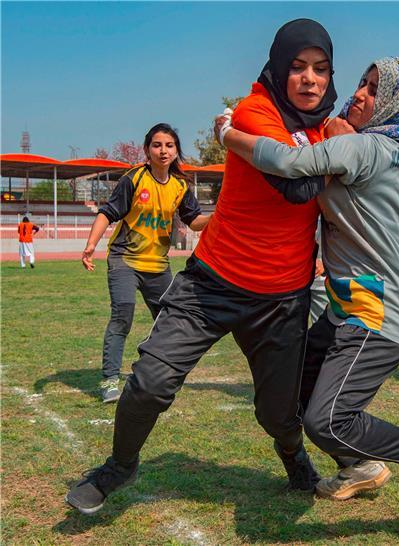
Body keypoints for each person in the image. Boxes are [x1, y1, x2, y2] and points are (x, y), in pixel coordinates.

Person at [66, 19, 337, 515]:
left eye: (320, 69)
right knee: (149, 382)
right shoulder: (256, 111)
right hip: (211, 283)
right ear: (278, 68)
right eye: (297, 67)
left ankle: (294, 457)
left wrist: (338, 141)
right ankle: (119, 466)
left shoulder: (327, 130)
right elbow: (296, 182)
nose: (309, 79)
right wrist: (334, 149)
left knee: (279, 414)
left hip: (282, 297)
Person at [217, 56, 399, 533]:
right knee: (293, 395)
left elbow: (291, 164)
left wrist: (230, 136)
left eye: (375, 90)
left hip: (378, 312)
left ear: (394, 104)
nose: (359, 93)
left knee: (329, 420)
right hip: (349, 306)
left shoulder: (371, 148)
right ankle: (360, 466)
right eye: (362, 82)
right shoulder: (376, 146)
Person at [80, 124, 209, 404]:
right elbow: (107, 213)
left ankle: (156, 373)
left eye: (169, 145)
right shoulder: (134, 179)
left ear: (176, 151)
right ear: (147, 150)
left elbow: (195, 221)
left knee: (168, 320)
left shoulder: (180, 186)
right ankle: (110, 380)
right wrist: (91, 244)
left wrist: (219, 215)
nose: (163, 151)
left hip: (158, 266)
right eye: (157, 145)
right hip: (125, 260)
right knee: (122, 316)